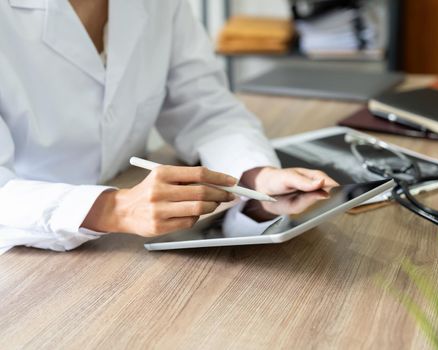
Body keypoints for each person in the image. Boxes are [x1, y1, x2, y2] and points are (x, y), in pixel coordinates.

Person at [0, 0, 337, 253]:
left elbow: (203, 105)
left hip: (126, 245)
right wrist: (115, 208)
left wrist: (254, 177)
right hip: (24, 251)